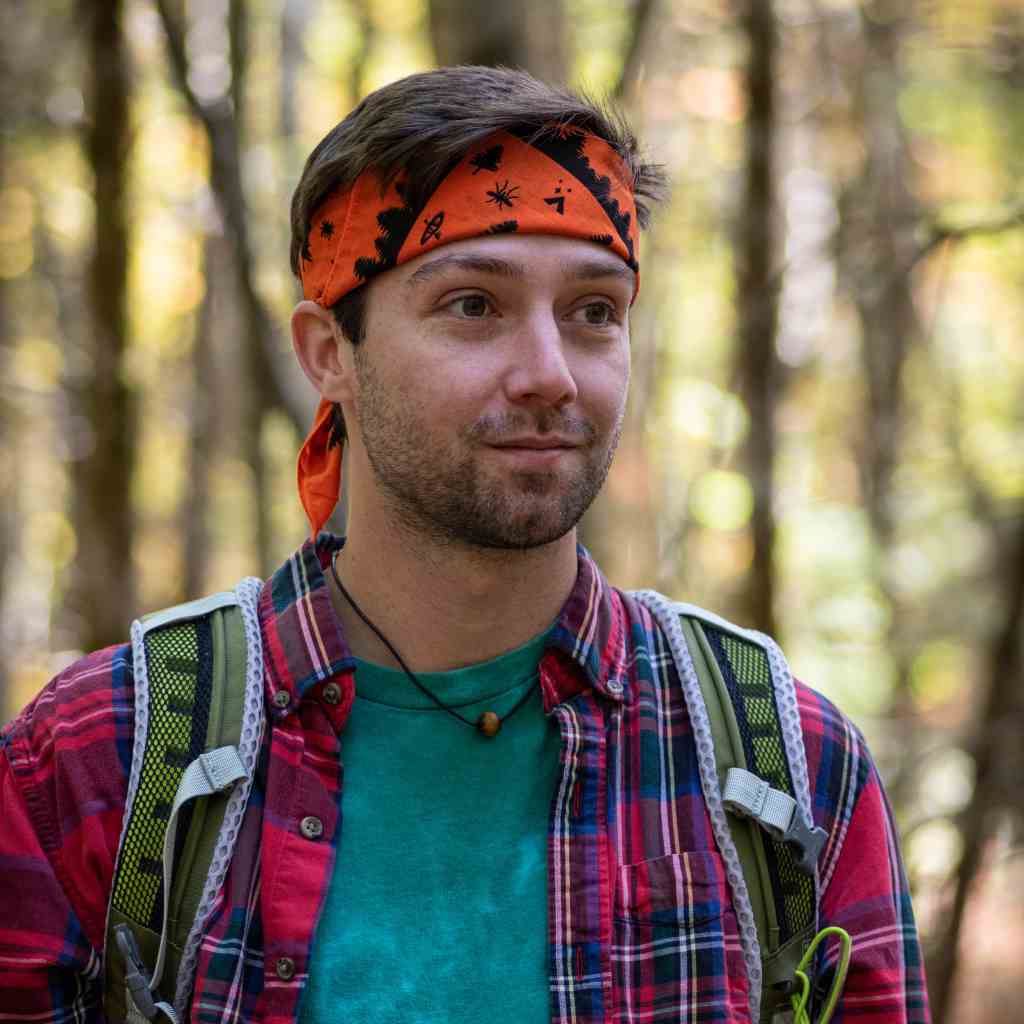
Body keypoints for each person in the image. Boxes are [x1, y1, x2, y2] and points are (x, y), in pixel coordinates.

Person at [0, 66, 929, 1023]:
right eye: (473, 305)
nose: (549, 374)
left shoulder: (784, 771)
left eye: (594, 312)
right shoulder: (101, 761)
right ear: (329, 353)